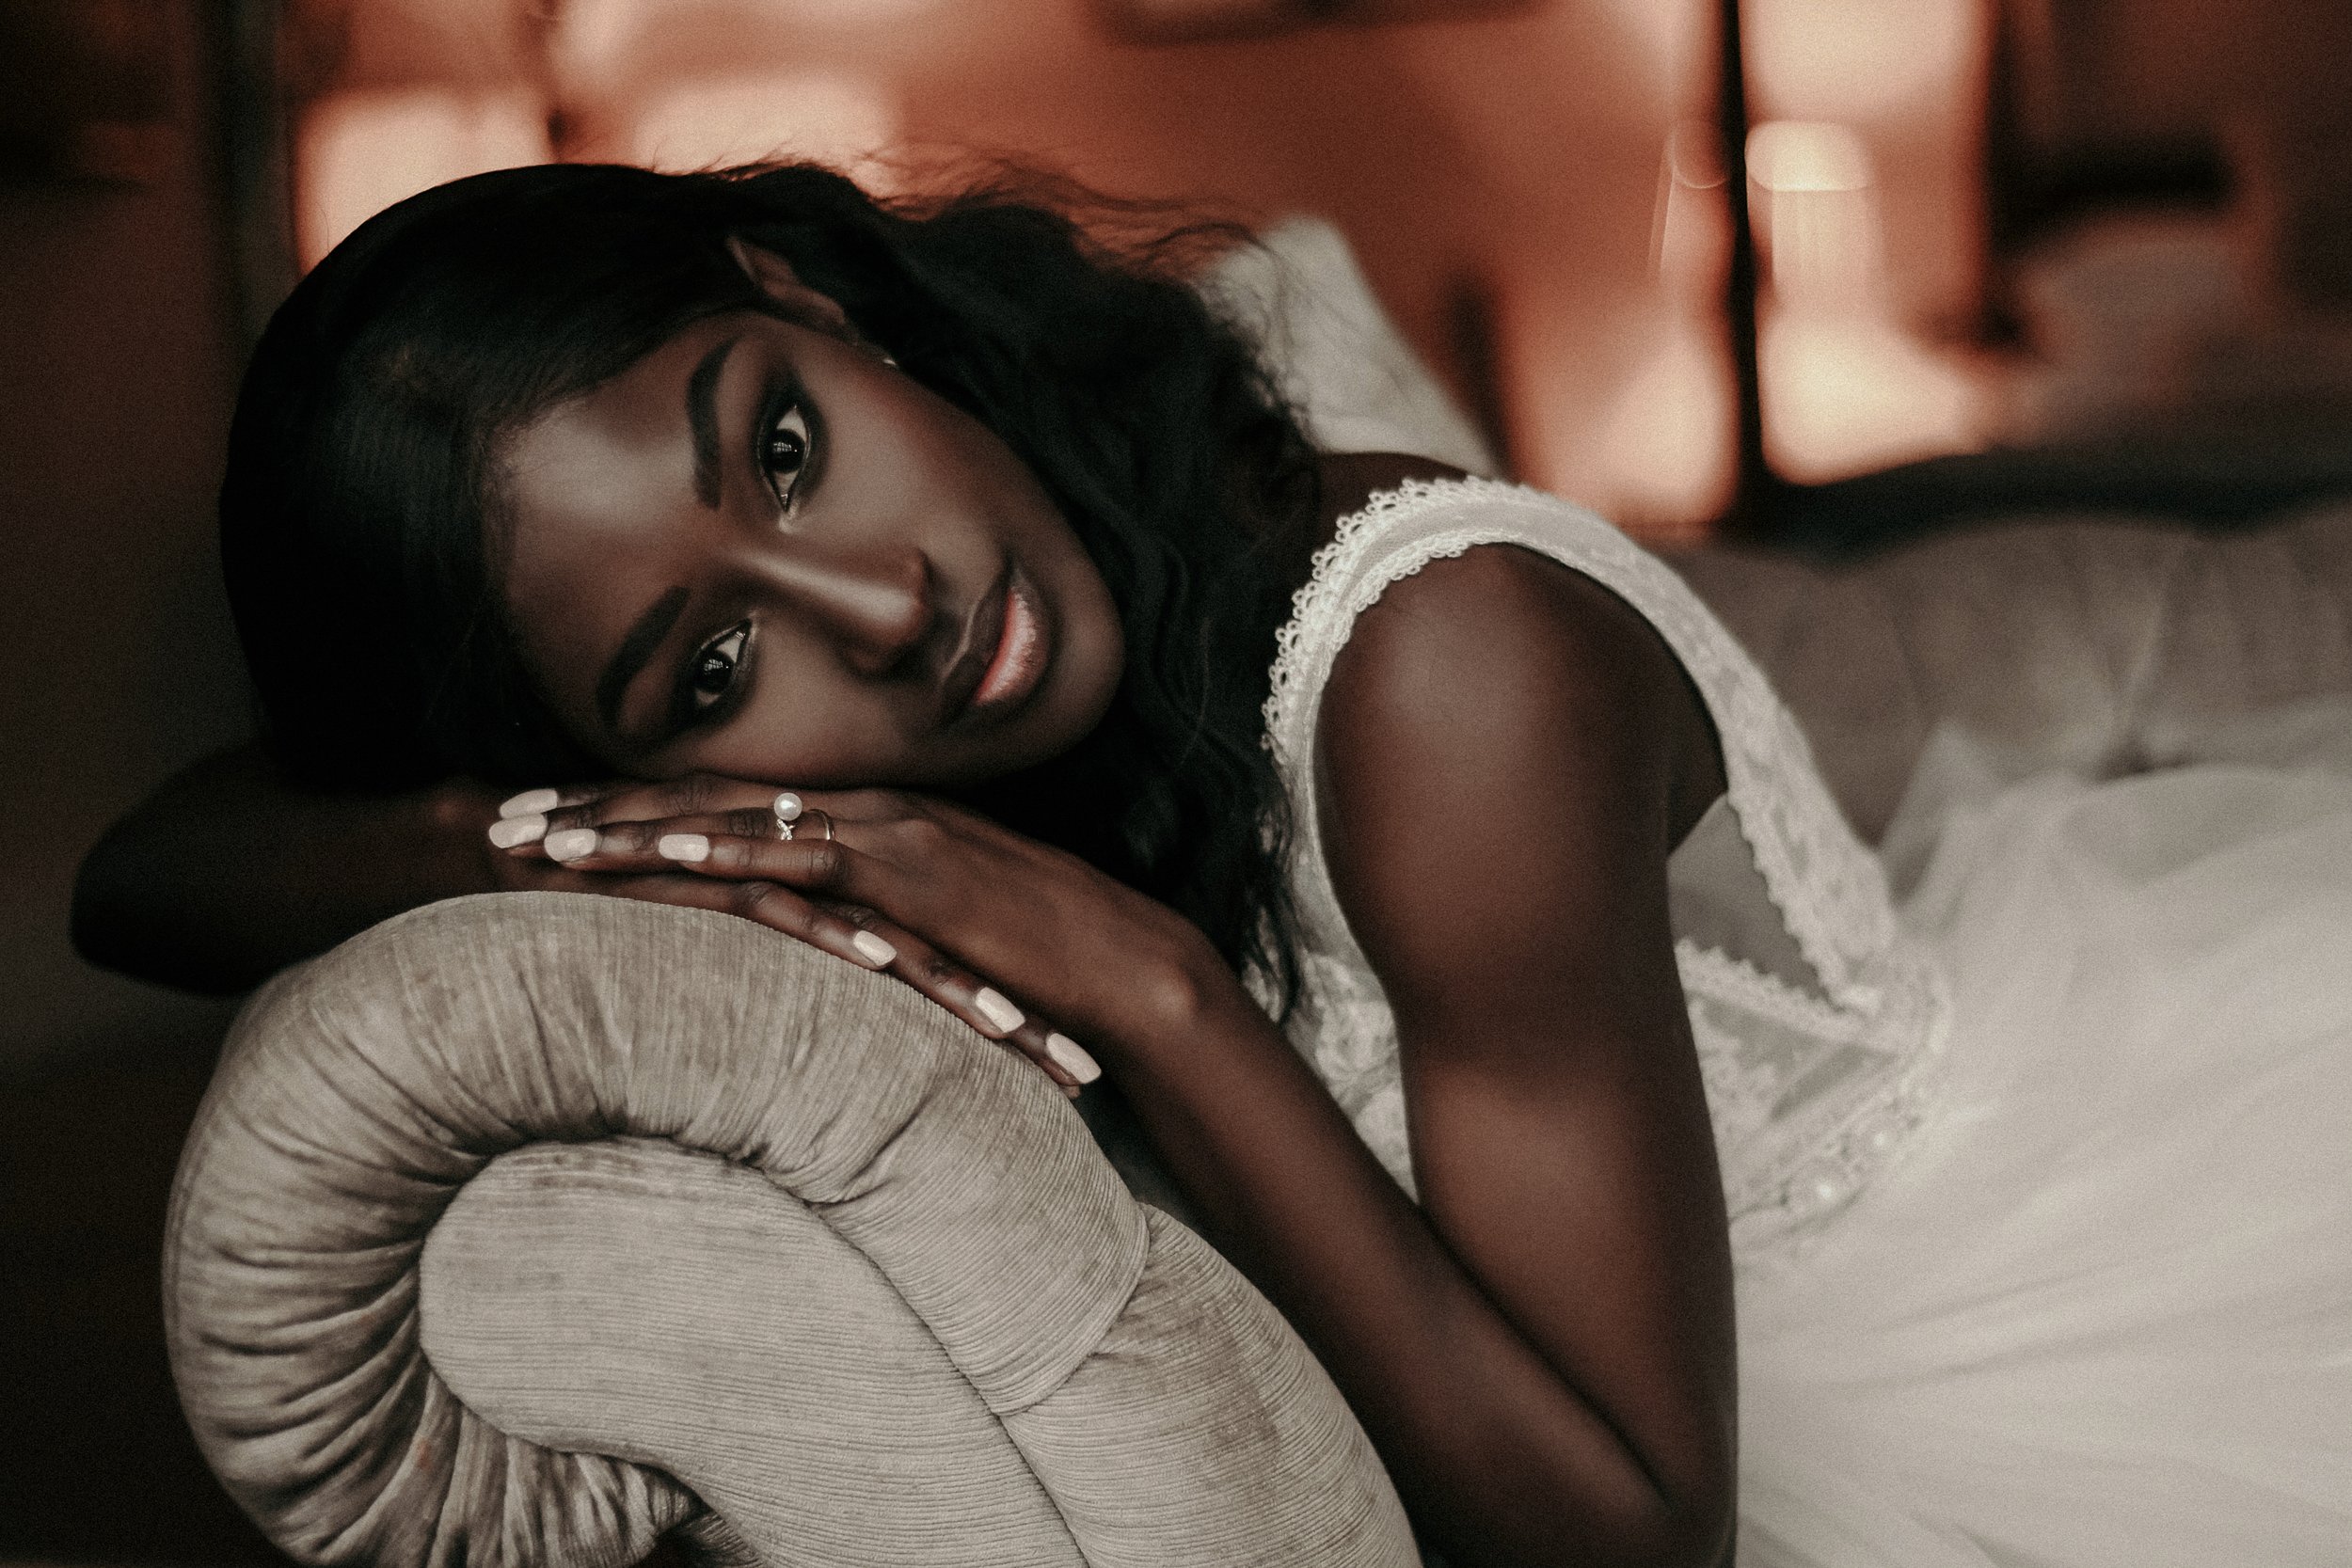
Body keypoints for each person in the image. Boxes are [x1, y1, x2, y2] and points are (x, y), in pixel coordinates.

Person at [75, 162, 2352, 1567]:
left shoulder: (1446, 667)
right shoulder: (937, 724)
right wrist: (571, 833)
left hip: (1996, 1334)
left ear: (822, 294)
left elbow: (1635, 1538)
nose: (884, 611)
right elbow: (148, 872)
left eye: (782, 443)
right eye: (706, 661)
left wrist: (1159, 1000)